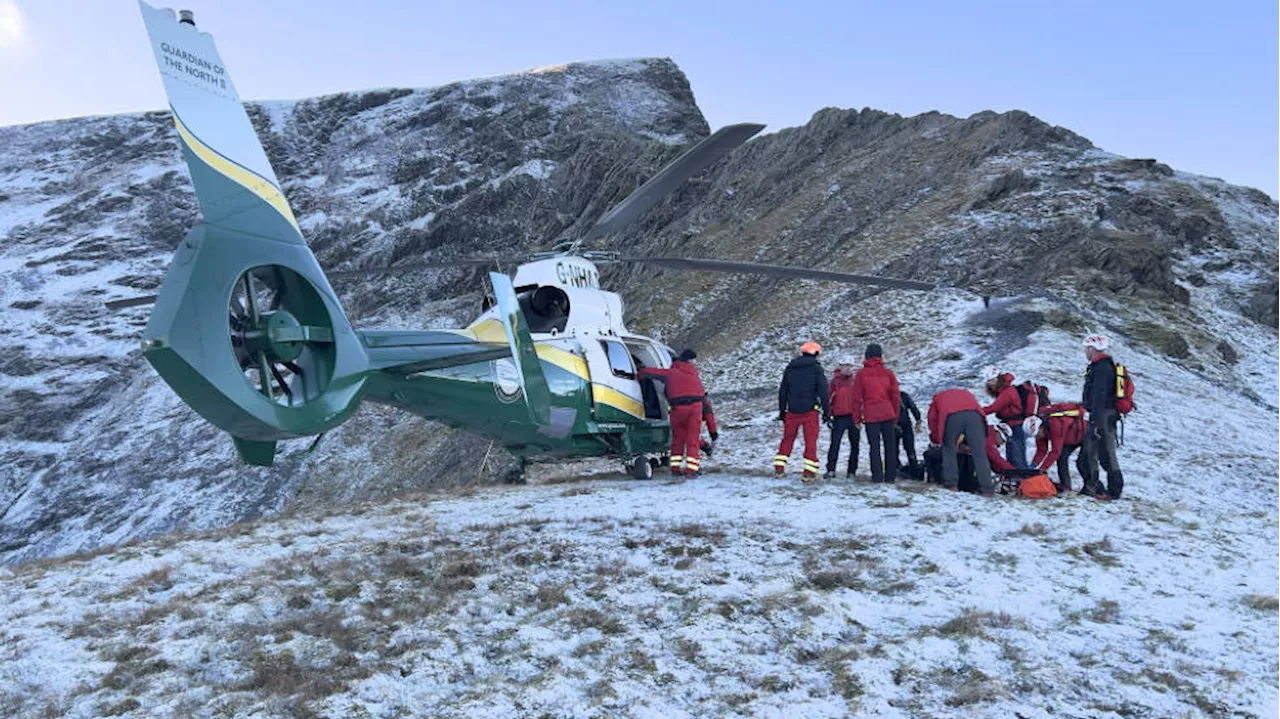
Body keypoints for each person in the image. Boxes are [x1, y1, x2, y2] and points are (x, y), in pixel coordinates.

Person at [639, 349, 717, 477]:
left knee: (678, 440)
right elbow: (709, 414)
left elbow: (652, 373)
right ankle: (692, 470)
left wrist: (640, 372)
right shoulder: (694, 375)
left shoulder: (670, 373)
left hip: (676, 410)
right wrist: (713, 434)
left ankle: (675, 468)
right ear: (690, 361)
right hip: (694, 409)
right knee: (692, 439)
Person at [775, 341, 829, 481]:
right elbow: (823, 392)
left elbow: (783, 391)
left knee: (787, 439)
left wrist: (782, 411)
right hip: (810, 411)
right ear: (816, 353)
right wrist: (827, 413)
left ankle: (779, 468)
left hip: (792, 411)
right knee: (810, 441)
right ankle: (808, 473)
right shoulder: (817, 369)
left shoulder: (790, 367)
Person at [927, 388, 994, 495]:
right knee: (980, 453)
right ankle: (987, 488)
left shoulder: (938, 398)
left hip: (951, 416)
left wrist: (936, 438)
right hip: (975, 416)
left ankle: (951, 485)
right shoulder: (966, 393)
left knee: (949, 450)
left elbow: (933, 419)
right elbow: (980, 411)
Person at [1081, 335, 1124, 499]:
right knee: (1101, 453)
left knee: (1105, 454)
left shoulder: (1101, 368)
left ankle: (1112, 491)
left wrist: (1096, 422)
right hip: (1104, 415)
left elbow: (1099, 395)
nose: (1085, 351)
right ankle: (1098, 488)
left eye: (1086, 348)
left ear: (1092, 349)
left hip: (1102, 416)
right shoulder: (1104, 366)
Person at [852, 344, 901, 483]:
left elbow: (856, 398)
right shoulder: (888, 373)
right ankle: (890, 476)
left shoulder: (861, 374)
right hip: (888, 413)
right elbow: (895, 397)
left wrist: (856, 418)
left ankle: (877, 476)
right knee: (890, 446)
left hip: (871, 414)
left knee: (874, 447)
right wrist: (895, 416)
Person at [1028, 404, 1086, 494]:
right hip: (1070, 438)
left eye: (1037, 434)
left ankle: (1094, 489)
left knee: (1083, 463)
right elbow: (1042, 451)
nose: (1037, 437)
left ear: (1041, 427)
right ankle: (1066, 487)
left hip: (1086, 434)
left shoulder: (1055, 425)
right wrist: (1033, 465)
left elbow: (1056, 451)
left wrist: (1043, 468)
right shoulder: (1040, 431)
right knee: (1062, 458)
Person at [982, 367, 1030, 469]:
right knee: (1014, 454)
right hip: (1012, 424)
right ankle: (1017, 478)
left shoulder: (1007, 391)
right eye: (989, 381)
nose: (990, 383)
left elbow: (995, 407)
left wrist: (976, 411)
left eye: (992, 380)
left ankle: (1021, 478)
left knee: (1016, 456)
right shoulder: (1005, 390)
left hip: (1015, 425)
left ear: (998, 378)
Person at [824, 359, 860, 479]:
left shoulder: (856, 381)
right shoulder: (834, 382)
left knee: (855, 445)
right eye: (845, 366)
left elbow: (861, 399)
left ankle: (852, 471)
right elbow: (828, 399)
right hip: (839, 417)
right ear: (840, 367)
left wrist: (861, 415)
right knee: (835, 444)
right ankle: (831, 469)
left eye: (850, 366)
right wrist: (828, 416)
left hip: (854, 417)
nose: (848, 368)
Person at [896, 390, 923, 478]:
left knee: (906, 449)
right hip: (900, 424)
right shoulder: (903, 395)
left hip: (898, 425)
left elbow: (913, 408)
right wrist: (918, 421)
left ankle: (900, 469)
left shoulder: (902, 395)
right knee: (909, 449)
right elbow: (913, 408)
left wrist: (918, 421)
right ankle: (913, 471)